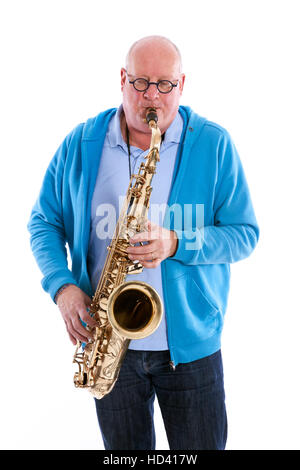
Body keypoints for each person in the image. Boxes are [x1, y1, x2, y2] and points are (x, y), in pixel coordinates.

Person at [27, 35, 259, 450]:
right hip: (109, 342)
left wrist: (177, 242)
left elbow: (245, 234)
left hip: (191, 350)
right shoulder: (81, 144)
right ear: (122, 79)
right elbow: (43, 221)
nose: (152, 95)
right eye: (140, 82)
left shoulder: (213, 143)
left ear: (182, 85)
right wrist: (62, 288)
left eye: (165, 84)